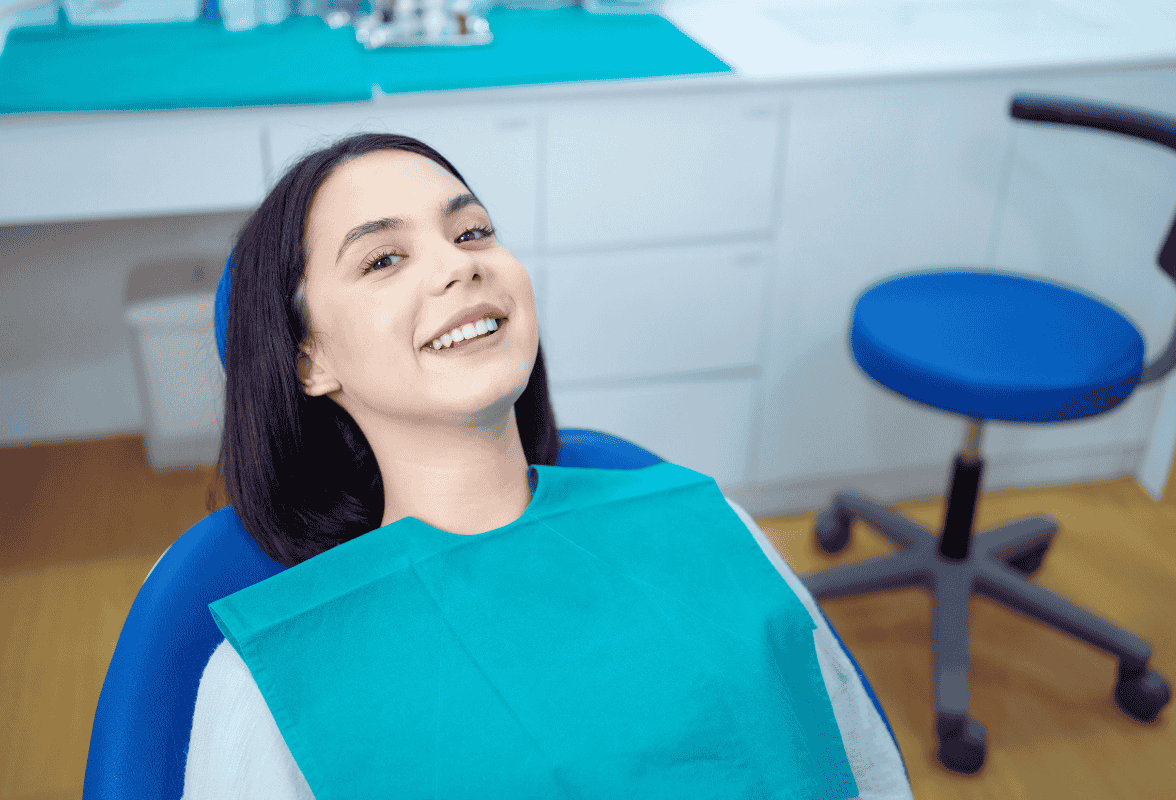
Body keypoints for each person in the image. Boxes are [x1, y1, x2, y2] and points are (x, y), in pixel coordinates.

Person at [182, 132, 914, 799]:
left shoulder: (716, 527)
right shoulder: (272, 688)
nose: (458, 265)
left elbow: (866, 773)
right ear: (310, 359)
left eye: (472, 232)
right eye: (383, 259)